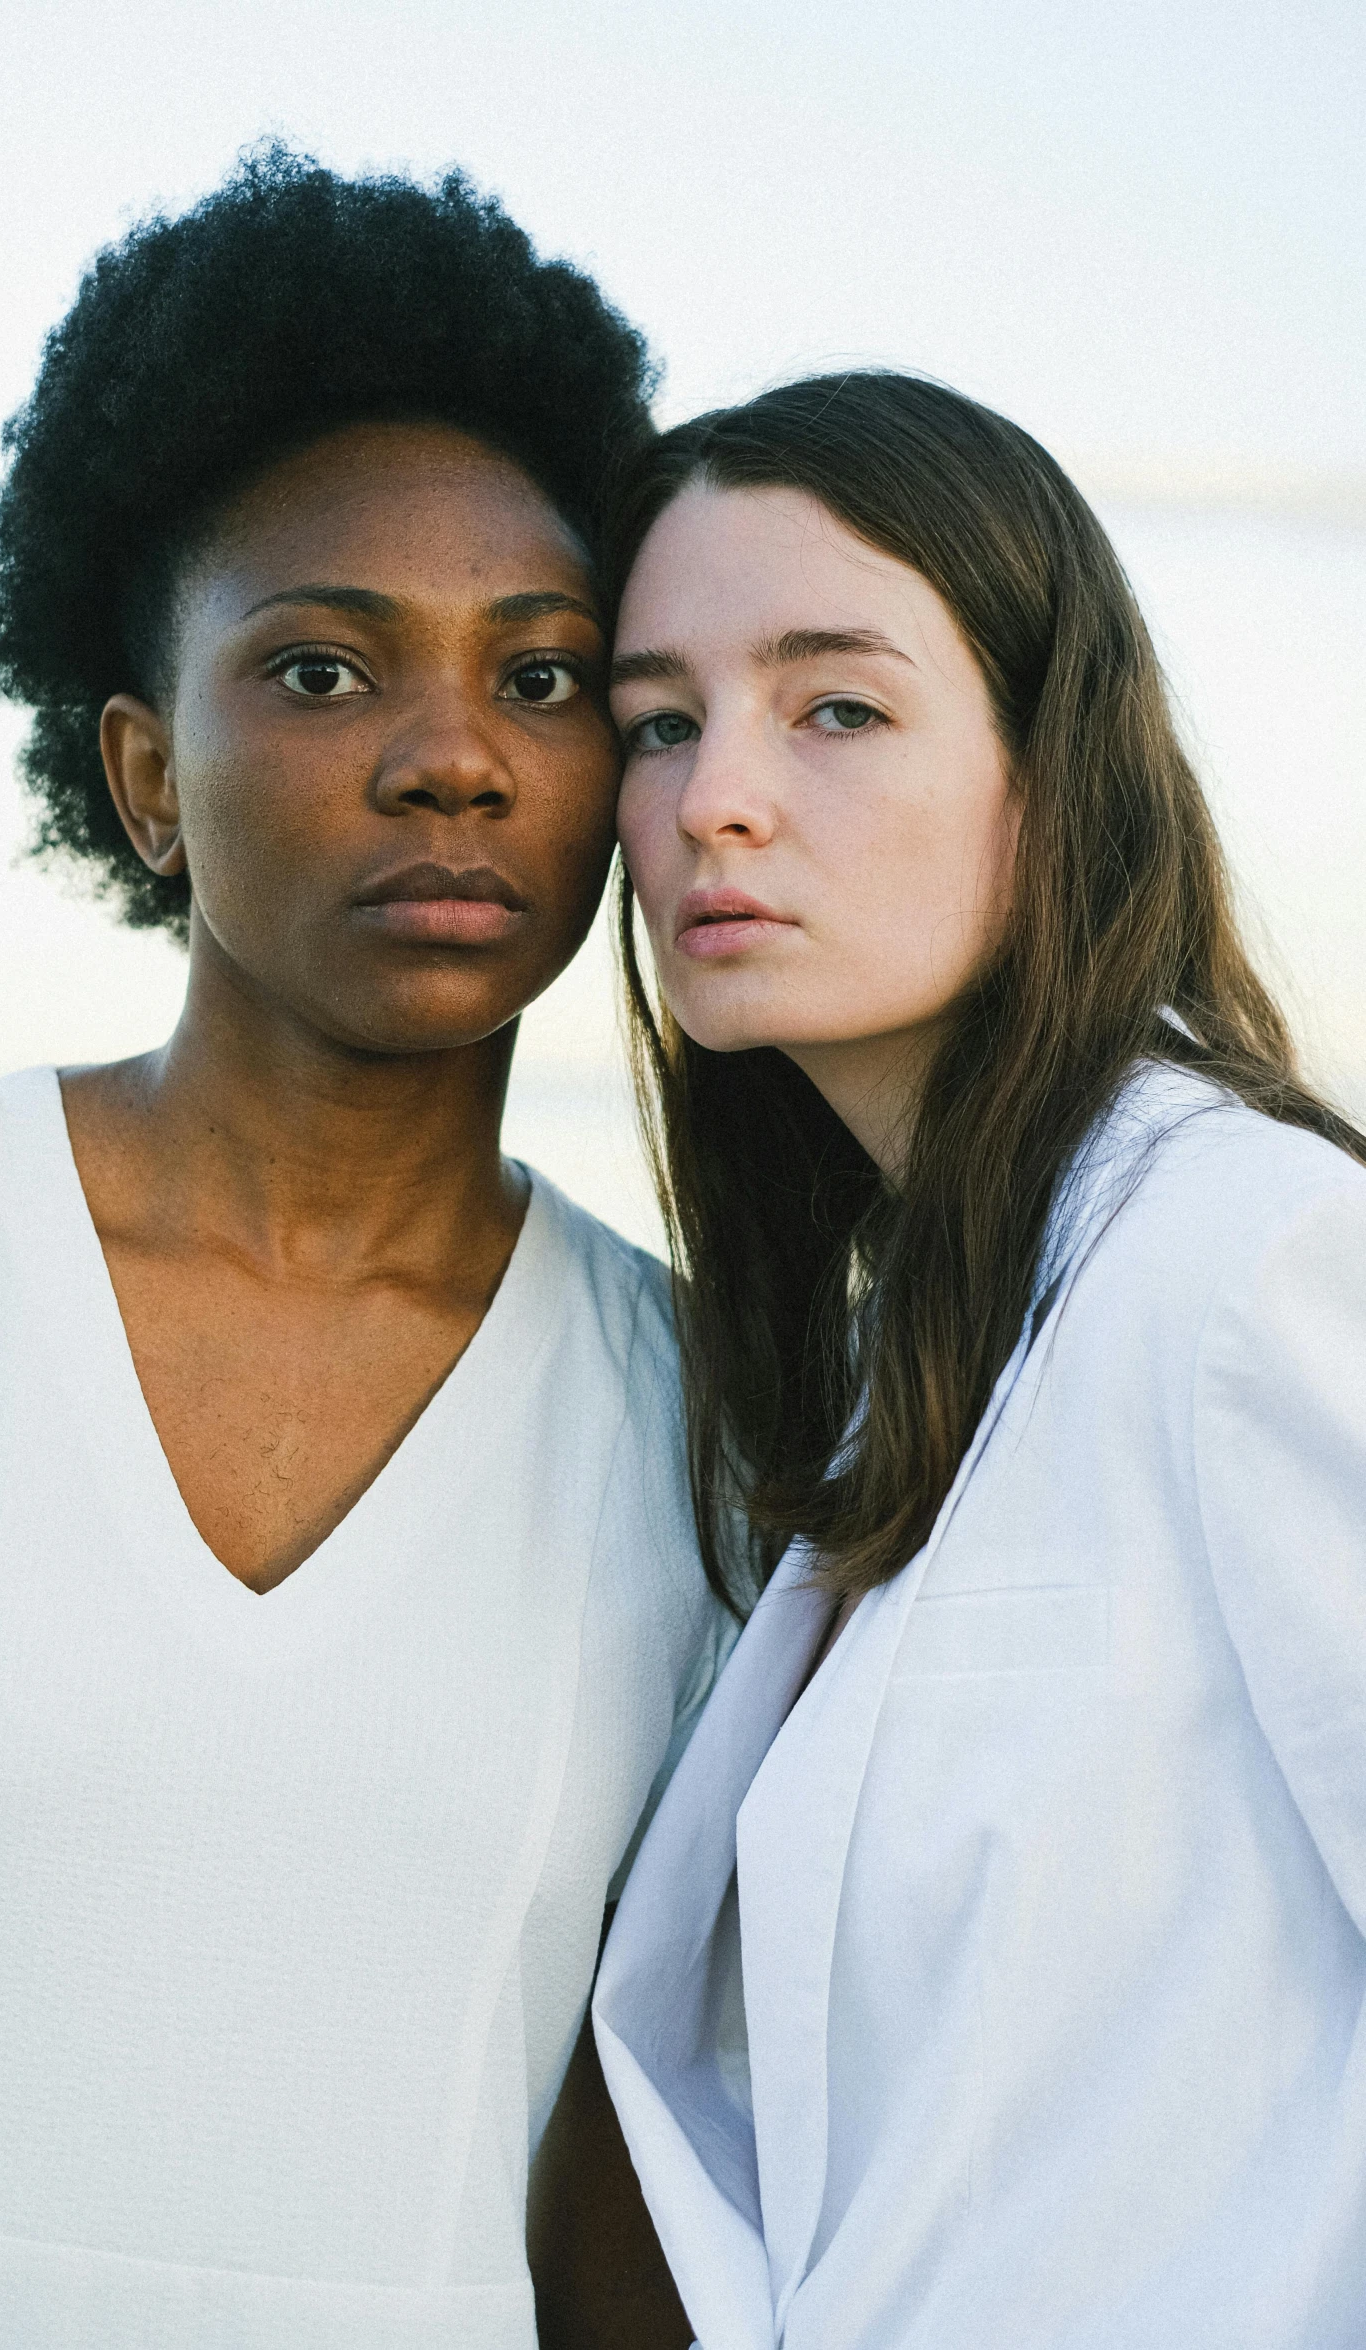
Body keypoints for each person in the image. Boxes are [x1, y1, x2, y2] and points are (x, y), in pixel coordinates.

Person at [0, 148, 730, 2349]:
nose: (448, 763)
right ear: (141, 773)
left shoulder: (719, 1419)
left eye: (546, 677)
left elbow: (643, 2194)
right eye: (321, 674)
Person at [592, 372, 1366, 2350]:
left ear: (1053, 760)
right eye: (659, 720)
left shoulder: (1245, 1252)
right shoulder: (907, 1343)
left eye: (832, 703)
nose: (713, 796)